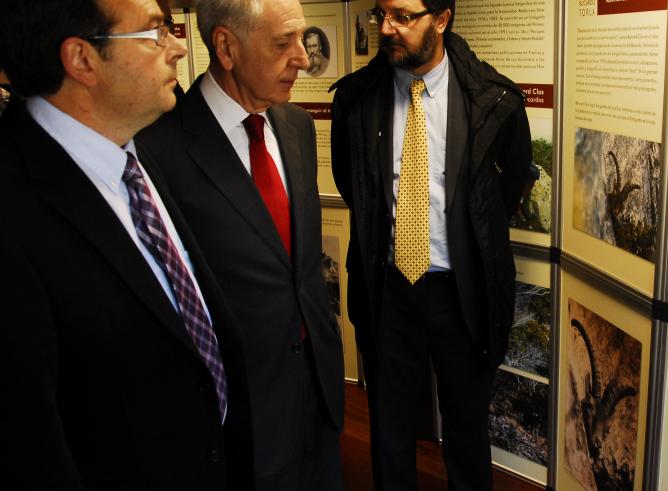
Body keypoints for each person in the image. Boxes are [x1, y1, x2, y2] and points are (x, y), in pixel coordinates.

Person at [0, 0, 255, 489]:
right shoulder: (11, 207)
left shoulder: (136, 153)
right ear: (82, 60)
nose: (178, 48)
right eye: (155, 32)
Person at [137, 0, 346, 488]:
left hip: (318, 394)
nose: (303, 57)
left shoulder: (296, 126)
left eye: (302, 39)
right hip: (239, 413)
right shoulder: (156, 150)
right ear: (226, 47)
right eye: (282, 43)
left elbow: (300, 270)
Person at [329, 0, 533, 488]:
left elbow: (503, 195)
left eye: (403, 17)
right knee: (390, 425)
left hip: (460, 292)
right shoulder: (356, 100)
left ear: (441, 20)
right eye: (381, 15)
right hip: (388, 288)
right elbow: (349, 181)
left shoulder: (492, 99)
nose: (386, 28)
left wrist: (465, 241)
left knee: (466, 428)